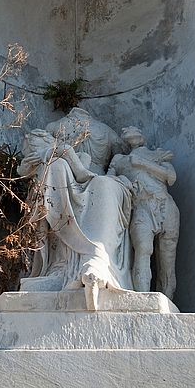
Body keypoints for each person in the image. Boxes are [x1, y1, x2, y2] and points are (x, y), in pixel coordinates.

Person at [18, 121, 132, 309]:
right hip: (64, 191)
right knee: (57, 167)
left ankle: (97, 258)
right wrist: (31, 165)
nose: (31, 153)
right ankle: (63, 268)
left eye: (33, 149)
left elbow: (81, 173)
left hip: (88, 181)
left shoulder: (70, 152)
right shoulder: (53, 164)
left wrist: (50, 153)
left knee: (105, 186)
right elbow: (24, 175)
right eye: (29, 151)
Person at [108, 126, 179, 299]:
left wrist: (143, 163)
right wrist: (123, 180)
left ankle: (168, 304)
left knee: (167, 262)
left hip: (165, 206)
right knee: (143, 249)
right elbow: (108, 181)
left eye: (135, 131)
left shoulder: (159, 155)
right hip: (140, 207)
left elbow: (171, 177)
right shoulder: (119, 160)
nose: (130, 133)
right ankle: (142, 300)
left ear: (142, 136)